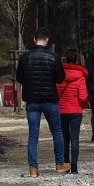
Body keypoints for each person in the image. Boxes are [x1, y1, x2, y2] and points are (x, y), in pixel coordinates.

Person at [15, 27, 70, 178]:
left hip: (31, 100)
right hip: (50, 99)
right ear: (47, 40)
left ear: (34, 39)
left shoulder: (25, 57)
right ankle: (60, 164)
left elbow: (19, 78)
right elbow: (60, 78)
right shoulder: (53, 57)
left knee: (33, 135)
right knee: (57, 132)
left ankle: (33, 168)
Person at [57, 48, 88, 174]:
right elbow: (83, 96)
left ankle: (65, 164)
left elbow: (56, 92)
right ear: (77, 60)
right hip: (76, 111)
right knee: (75, 138)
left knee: (64, 138)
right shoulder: (80, 77)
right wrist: (83, 105)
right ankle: (74, 167)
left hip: (61, 110)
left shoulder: (59, 75)